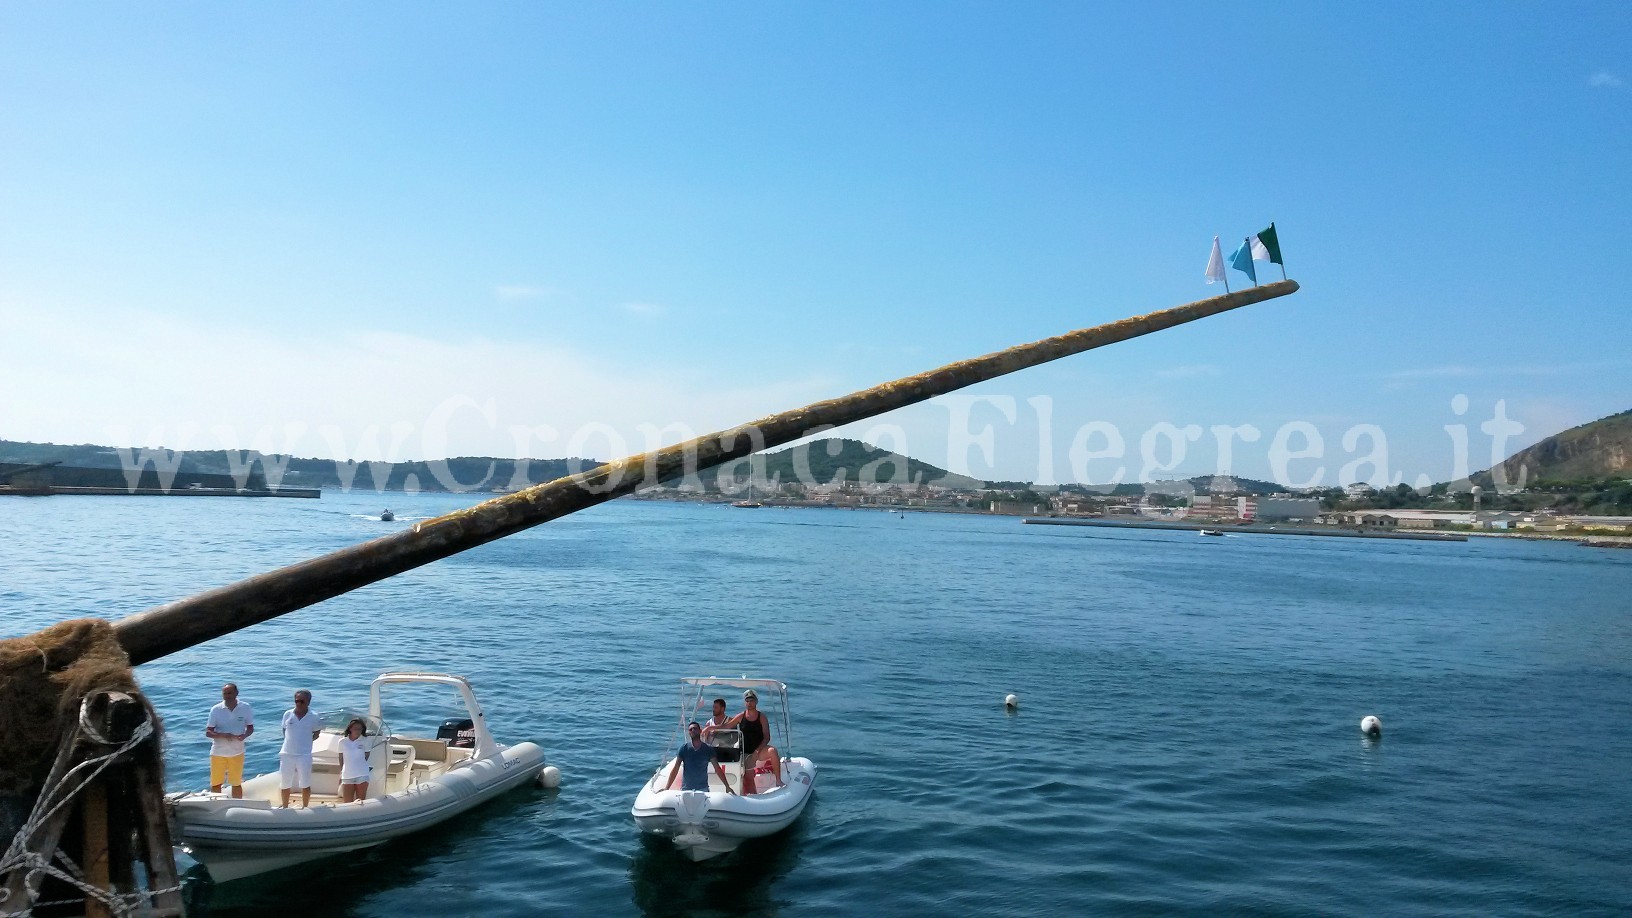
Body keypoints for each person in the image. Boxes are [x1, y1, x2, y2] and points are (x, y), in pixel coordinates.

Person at [725, 688, 781, 793]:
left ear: (756, 702)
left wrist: (757, 751)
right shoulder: (741, 716)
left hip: (758, 750)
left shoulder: (762, 717)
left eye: (752, 701)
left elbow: (766, 737)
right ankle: (752, 796)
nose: (749, 703)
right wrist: (709, 729)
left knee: (772, 751)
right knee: (748, 777)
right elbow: (727, 726)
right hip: (745, 752)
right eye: (747, 701)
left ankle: (778, 780)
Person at [205, 683, 254, 798]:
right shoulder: (216, 709)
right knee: (216, 783)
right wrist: (223, 735)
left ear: (236, 693)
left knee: (236, 783)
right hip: (218, 752)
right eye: (225, 693)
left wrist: (244, 735)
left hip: (237, 752)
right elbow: (208, 732)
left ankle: (237, 805)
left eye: (230, 693)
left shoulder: (245, 707)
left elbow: (250, 727)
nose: (227, 696)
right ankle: (216, 805)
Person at [277, 690, 323, 808]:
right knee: (285, 782)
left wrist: (305, 742)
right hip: (287, 753)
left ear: (308, 701)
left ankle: (305, 806)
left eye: (302, 701)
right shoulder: (288, 714)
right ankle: (285, 805)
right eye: (296, 701)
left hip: (304, 754)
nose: (299, 704)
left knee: (305, 782)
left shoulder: (314, 716)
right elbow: (284, 730)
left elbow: (317, 733)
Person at [666, 722, 735, 794]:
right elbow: (675, 769)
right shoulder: (684, 749)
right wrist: (667, 788)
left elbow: (717, 769)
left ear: (700, 731)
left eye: (695, 728)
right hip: (686, 789)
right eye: (690, 729)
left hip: (703, 789)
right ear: (689, 733)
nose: (692, 730)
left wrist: (727, 786)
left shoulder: (708, 749)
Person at [698, 698, 741, 763]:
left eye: (716, 707)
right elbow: (705, 741)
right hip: (713, 752)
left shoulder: (730, 721)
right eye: (713, 707)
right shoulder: (709, 723)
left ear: (722, 709)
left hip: (727, 752)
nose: (713, 710)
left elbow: (735, 738)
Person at [339, 718, 371, 803]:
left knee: (361, 802)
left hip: (362, 774)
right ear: (350, 728)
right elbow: (341, 758)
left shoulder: (365, 740)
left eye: (360, 729)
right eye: (355, 728)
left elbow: (366, 756)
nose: (357, 731)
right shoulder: (342, 741)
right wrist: (342, 772)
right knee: (347, 802)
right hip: (347, 775)